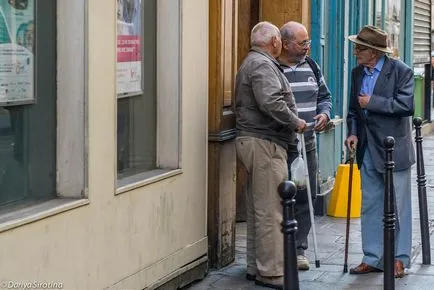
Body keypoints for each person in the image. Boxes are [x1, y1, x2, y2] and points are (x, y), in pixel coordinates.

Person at [234, 21, 306, 289]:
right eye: (278, 40)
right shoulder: (262, 64)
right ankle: (272, 272)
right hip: (264, 141)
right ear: (275, 41)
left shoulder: (255, 61)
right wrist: (295, 121)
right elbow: (270, 102)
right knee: (270, 210)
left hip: (257, 139)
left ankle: (257, 267)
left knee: (259, 208)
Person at [345, 25, 414, 278]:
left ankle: (399, 258)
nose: (355, 52)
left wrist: (371, 102)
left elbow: (406, 105)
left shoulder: (401, 71)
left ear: (373, 52)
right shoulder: (356, 73)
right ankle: (373, 257)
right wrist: (352, 132)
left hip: (393, 149)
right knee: (371, 204)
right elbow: (353, 110)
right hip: (367, 148)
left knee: (399, 207)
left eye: (359, 48)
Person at [278, 21, 332, 270]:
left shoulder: (312, 65)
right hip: (281, 144)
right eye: (303, 43)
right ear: (286, 44)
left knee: (305, 195)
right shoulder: (273, 68)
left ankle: (299, 249)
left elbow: (325, 96)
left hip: (307, 142)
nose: (308, 47)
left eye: (309, 41)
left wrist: (325, 114)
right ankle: (279, 248)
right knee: (278, 196)